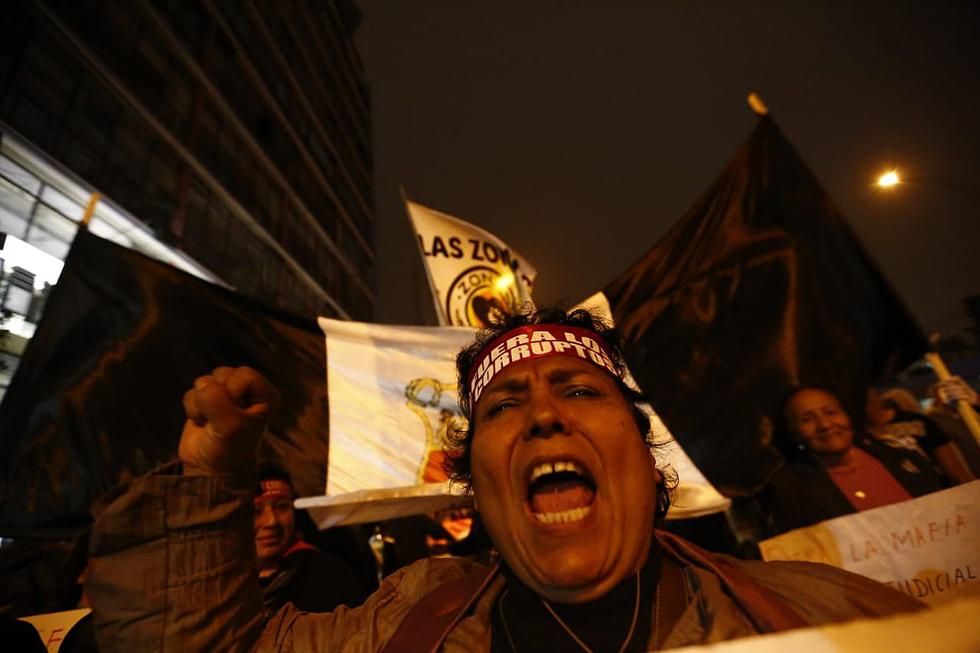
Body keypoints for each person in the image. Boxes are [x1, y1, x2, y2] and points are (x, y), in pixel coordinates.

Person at [87, 309, 922, 652]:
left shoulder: (834, 620)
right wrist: (206, 473)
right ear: (477, 485)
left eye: (582, 390)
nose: (545, 415)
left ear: (643, 451)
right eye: (505, 404)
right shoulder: (406, 619)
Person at [763, 386, 948, 535]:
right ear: (795, 433)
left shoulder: (906, 459)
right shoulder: (791, 488)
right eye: (807, 419)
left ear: (847, 416)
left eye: (830, 412)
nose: (825, 425)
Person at [253, 463, 366, 618]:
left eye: (281, 507)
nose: (271, 521)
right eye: (255, 511)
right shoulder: (219, 584)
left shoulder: (327, 576)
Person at [866, 387, 974, 485]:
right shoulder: (859, 436)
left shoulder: (917, 421)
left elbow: (954, 468)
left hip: (939, 488)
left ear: (874, 398)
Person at [925, 377, 980, 477]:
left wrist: (975, 403)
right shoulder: (933, 419)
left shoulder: (970, 408)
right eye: (943, 389)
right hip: (969, 468)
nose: (948, 392)